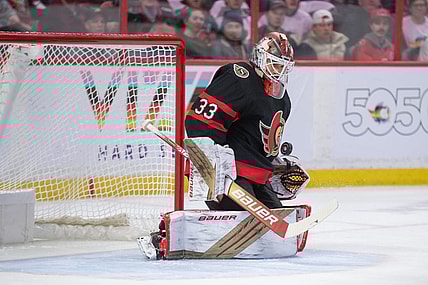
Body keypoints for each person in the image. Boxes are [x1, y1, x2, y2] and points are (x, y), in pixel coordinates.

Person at [185, 32, 296, 211]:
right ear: (260, 57)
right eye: (275, 64)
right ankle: (164, 236)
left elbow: (257, 140)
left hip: (255, 174)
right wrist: (214, 160)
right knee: (244, 216)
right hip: (226, 171)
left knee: (275, 217)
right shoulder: (240, 77)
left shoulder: (283, 100)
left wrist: (275, 162)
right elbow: (197, 121)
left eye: (283, 66)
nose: (279, 71)